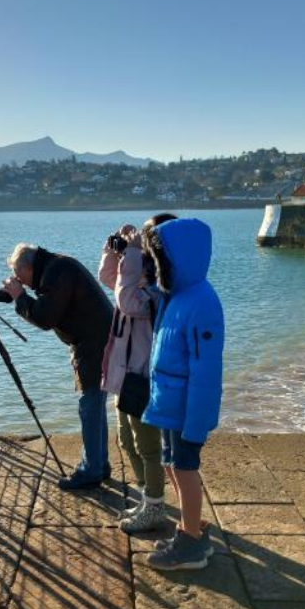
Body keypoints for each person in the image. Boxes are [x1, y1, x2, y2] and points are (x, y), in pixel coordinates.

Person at [137, 217, 225, 570]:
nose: (158, 265)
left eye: (161, 259)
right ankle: (193, 526)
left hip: (186, 407)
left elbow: (207, 372)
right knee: (173, 465)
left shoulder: (201, 302)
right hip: (171, 402)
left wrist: (196, 423)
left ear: (180, 259)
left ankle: (191, 544)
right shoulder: (177, 296)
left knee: (185, 468)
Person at [2, 241, 115, 489]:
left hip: (93, 343)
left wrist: (20, 297)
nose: (25, 284)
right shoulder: (57, 265)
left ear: (30, 267)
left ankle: (91, 470)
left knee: (90, 405)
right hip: (98, 338)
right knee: (94, 405)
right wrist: (24, 295)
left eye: (22, 277)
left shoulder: (56, 272)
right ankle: (99, 464)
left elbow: (44, 317)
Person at [98, 221, 168, 533]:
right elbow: (107, 278)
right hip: (124, 378)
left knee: (148, 446)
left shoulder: (153, 295)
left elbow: (125, 299)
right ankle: (147, 498)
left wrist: (135, 253)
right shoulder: (133, 284)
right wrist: (113, 251)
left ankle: (154, 506)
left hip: (143, 379)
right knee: (126, 439)